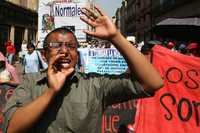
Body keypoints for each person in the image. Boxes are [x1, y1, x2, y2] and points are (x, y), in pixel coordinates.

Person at [2, 6, 163, 133]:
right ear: (44, 55)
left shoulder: (94, 84)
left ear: (77, 55)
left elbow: (152, 83)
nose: (64, 50)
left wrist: (116, 37)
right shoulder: (30, 82)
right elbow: (12, 128)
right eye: (56, 45)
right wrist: (51, 91)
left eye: (71, 46)